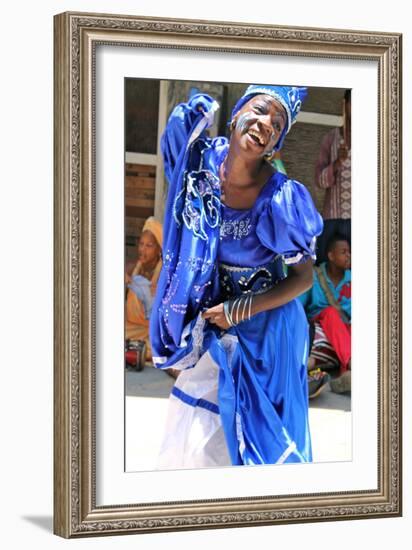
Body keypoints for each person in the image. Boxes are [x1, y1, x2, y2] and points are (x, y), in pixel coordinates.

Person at [150, 84, 323, 469]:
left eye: (277, 125)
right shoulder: (202, 166)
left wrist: (239, 309)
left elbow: (303, 279)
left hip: (269, 334)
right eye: (260, 111)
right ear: (237, 114)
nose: (265, 124)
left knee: (259, 447)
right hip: (220, 322)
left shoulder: (280, 197)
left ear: (275, 145)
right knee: (202, 428)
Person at [300, 234, 351, 393]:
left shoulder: (353, 278)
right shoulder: (314, 276)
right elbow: (298, 307)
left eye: (349, 252)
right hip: (319, 327)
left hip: (343, 331)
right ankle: (350, 363)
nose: (349, 256)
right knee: (329, 312)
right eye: (344, 252)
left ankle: (345, 376)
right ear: (331, 255)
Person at [314, 90, 351, 264]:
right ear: (345, 105)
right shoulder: (331, 139)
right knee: (323, 264)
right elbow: (320, 181)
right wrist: (337, 163)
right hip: (332, 218)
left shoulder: (374, 139)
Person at [125, 216, 163, 360]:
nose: (142, 250)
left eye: (149, 246)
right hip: (131, 329)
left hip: (152, 332)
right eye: (141, 244)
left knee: (159, 346)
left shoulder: (164, 276)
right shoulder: (130, 269)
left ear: (159, 249)